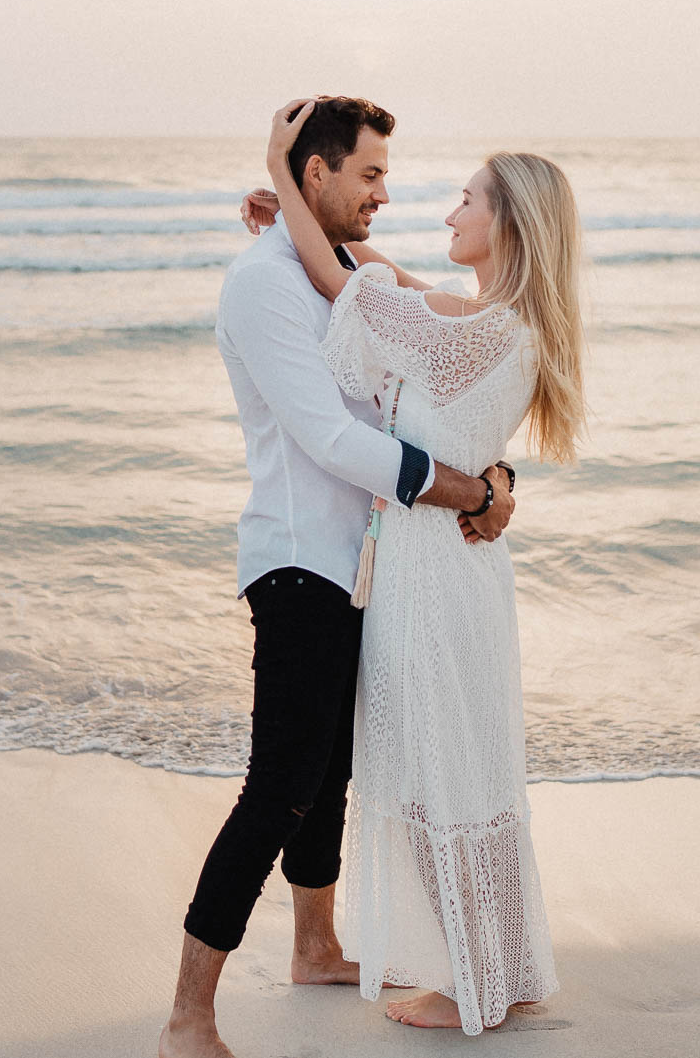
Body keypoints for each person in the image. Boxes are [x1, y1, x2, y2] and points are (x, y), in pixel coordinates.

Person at [158, 96, 520, 1058]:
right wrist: (463, 493)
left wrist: (493, 477)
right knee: (278, 784)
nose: (384, 193)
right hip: (297, 562)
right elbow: (328, 436)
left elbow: (424, 392)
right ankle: (188, 1016)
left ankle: (316, 947)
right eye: (367, 174)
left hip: (362, 565)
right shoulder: (264, 286)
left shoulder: (336, 272)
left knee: (335, 772)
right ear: (314, 173)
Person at [242, 98, 585, 1035]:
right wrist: (309, 218)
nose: (447, 213)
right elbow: (377, 278)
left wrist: (285, 173)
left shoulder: (467, 328)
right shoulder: (498, 326)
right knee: (473, 775)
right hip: (461, 574)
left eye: (467, 199)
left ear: (508, 221)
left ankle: (471, 986)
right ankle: (503, 970)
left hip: (431, 574)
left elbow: (349, 284)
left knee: (439, 776)